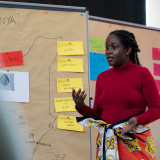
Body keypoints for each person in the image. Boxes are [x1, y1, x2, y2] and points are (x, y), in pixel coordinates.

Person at [72, 30, 160, 160]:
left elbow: (157, 109)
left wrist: (137, 120)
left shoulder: (142, 74)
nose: (108, 51)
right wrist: (81, 106)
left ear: (127, 50)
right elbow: (98, 115)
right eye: (107, 47)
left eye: (114, 47)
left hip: (133, 142)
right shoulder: (102, 77)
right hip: (107, 143)